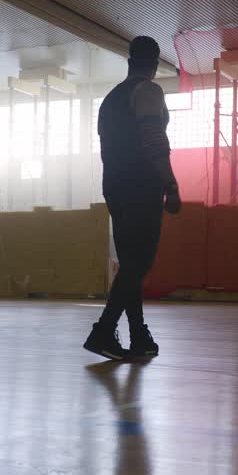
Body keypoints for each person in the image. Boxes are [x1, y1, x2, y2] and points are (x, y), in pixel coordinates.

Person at [84, 36, 182, 361]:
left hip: (114, 185)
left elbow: (105, 150)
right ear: (154, 63)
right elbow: (154, 139)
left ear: (129, 61)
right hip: (142, 185)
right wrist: (170, 184)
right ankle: (104, 330)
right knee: (140, 263)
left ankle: (139, 334)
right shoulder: (149, 91)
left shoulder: (110, 99)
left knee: (130, 265)